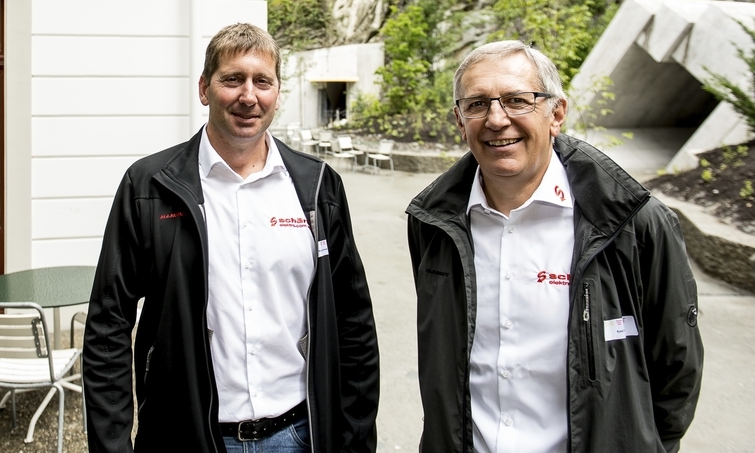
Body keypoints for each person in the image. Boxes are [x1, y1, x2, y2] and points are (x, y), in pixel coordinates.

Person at [84, 23, 379, 453]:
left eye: (263, 81)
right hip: (186, 437)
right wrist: (112, 445)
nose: (248, 95)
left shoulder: (317, 187)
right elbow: (108, 325)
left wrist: (355, 440)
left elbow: (354, 324)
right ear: (204, 89)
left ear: (278, 93)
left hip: (299, 435)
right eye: (232, 79)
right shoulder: (149, 186)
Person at [406, 40, 703, 453]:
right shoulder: (433, 223)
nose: (496, 119)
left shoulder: (633, 223)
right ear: (460, 120)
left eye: (517, 100)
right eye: (476, 104)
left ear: (556, 113)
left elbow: (676, 367)